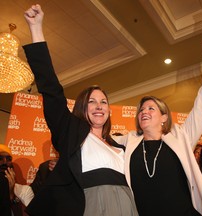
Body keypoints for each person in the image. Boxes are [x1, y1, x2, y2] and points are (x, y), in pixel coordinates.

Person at [23, 4, 138, 216]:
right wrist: (36, 28)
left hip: (127, 205)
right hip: (90, 205)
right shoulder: (71, 132)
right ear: (81, 108)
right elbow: (51, 89)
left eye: (103, 102)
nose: (99, 106)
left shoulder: (120, 146)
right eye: (92, 102)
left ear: (109, 110)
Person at [113, 40, 202, 215]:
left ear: (164, 117)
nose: (144, 111)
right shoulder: (128, 141)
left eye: (151, 108)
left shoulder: (181, 137)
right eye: (141, 109)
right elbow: (100, 140)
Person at [0, 145, 23, 216]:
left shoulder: (23, 189)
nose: (4, 162)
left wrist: (11, 193)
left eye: (9, 159)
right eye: (0, 158)